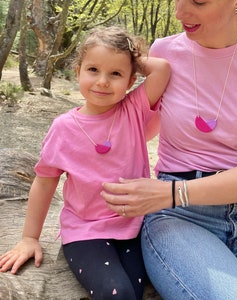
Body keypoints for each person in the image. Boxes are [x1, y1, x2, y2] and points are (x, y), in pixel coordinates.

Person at [101, 1, 237, 299]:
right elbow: (133, 131)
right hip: (180, 218)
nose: (180, 12)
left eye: (198, 1)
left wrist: (172, 193)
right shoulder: (164, 54)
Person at [0, 26, 170, 300]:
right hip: (85, 232)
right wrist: (30, 238)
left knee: (137, 292)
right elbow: (44, 183)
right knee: (117, 293)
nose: (103, 81)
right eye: (93, 69)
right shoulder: (63, 128)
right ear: (78, 71)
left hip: (134, 228)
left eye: (115, 73)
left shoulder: (133, 111)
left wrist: (128, 54)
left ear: (130, 80)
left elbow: (161, 69)